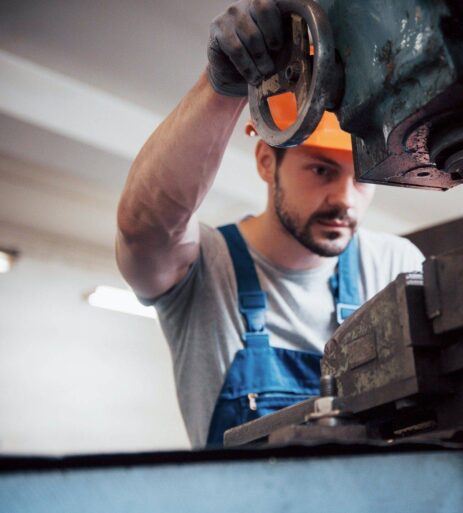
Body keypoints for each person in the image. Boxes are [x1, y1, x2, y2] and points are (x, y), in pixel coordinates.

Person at [116, 0, 424, 448]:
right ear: (266, 161)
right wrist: (220, 87)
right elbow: (143, 228)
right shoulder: (203, 270)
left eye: (360, 178)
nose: (343, 199)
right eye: (320, 170)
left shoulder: (394, 265)